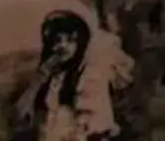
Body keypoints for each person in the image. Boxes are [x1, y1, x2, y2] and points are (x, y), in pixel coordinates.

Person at [7, 10, 119, 141]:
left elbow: (98, 128)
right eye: (57, 41)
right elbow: (19, 115)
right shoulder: (49, 79)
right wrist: (40, 77)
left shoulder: (89, 78)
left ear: (79, 43)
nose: (62, 46)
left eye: (70, 40)